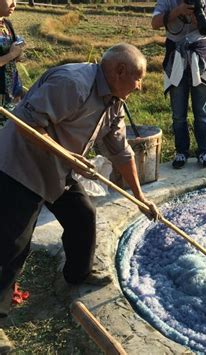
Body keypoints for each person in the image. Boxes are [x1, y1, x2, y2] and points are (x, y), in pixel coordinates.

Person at [0, 43, 160, 318]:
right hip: (20, 166)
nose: (140, 86)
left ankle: (78, 273)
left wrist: (140, 199)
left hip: (59, 168)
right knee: (13, 244)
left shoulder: (113, 101)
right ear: (120, 71)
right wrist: (69, 157)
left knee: (82, 216)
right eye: (139, 78)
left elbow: (121, 152)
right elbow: (26, 123)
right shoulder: (72, 83)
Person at [151, 0, 206, 169]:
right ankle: (181, 152)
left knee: (201, 113)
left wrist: (204, 23)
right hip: (175, 57)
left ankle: (204, 152)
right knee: (178, 114)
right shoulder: (168, 1)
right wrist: (177, 11)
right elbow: (154, 23)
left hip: (200, 57)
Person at [0, 0, 24, 119]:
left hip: (12, 90)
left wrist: (18, 53)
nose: (14, 4)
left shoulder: (7, 24)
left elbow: (13, 53)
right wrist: (11, 55)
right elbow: (10, 55)